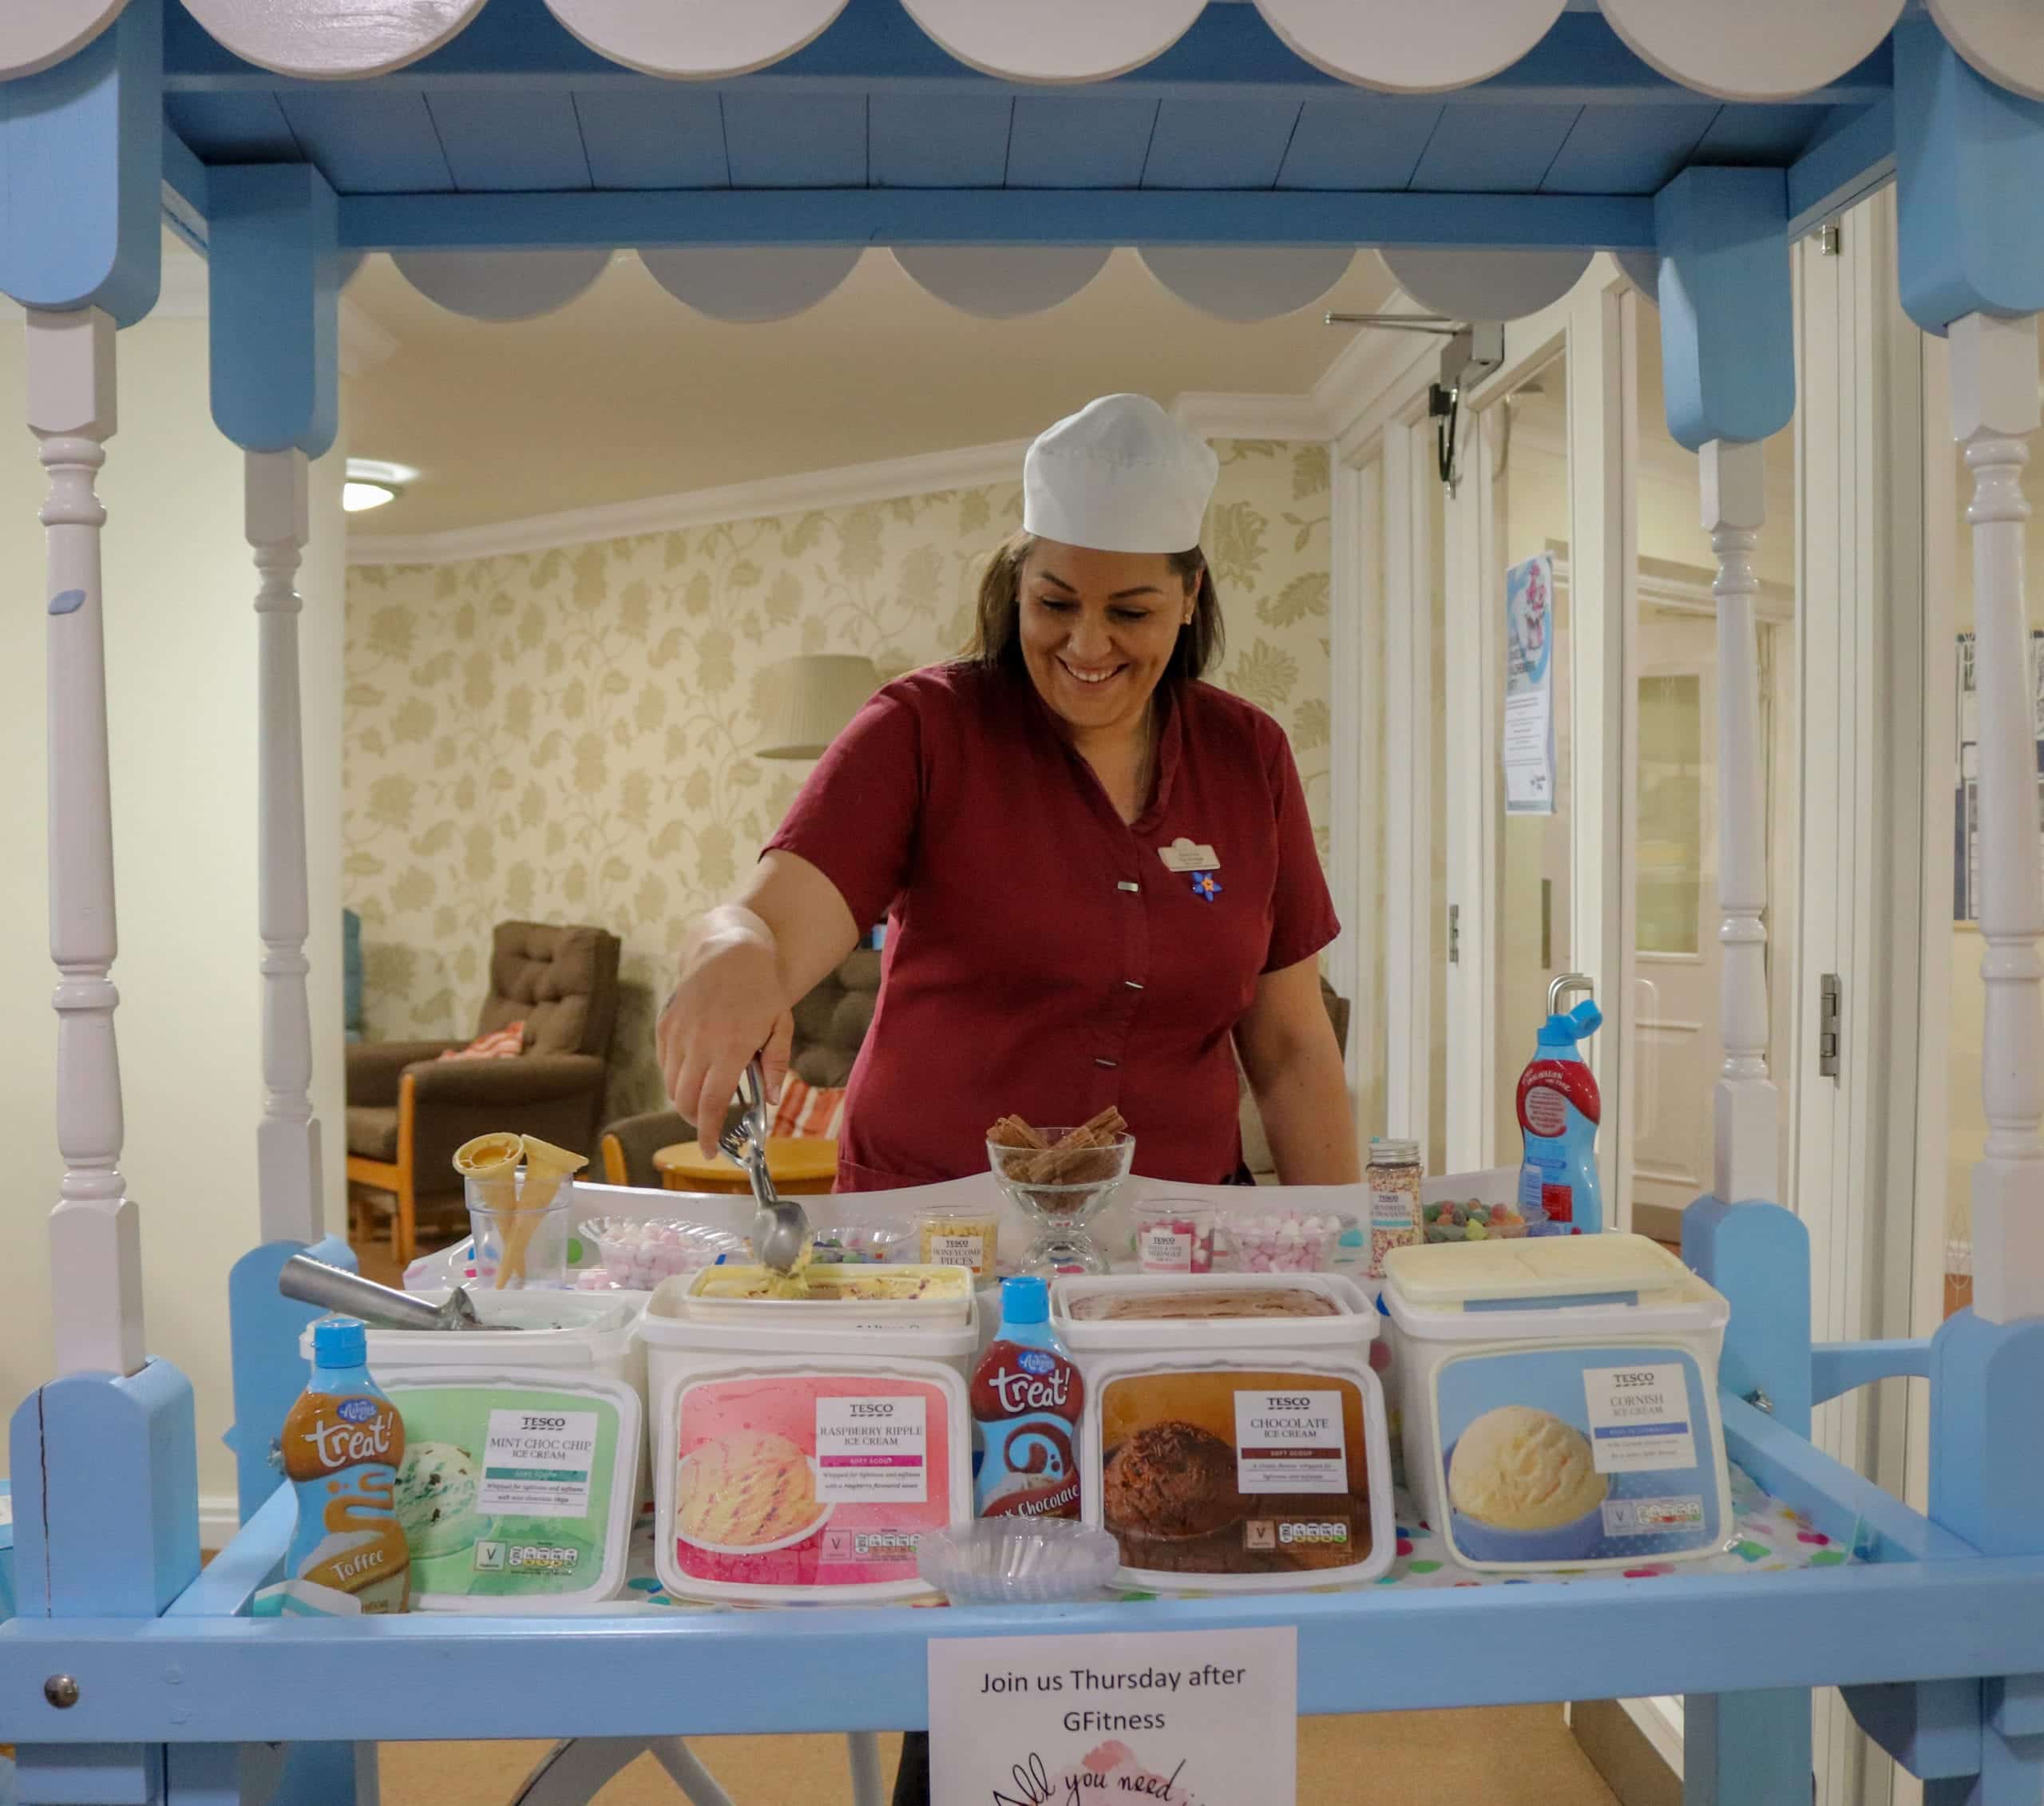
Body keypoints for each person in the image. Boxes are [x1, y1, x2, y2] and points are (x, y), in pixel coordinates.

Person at [655, 393, 1358, 1805]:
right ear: (1015, 582)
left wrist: (1348, 1260)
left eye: (1130, 610)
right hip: (941, 1264)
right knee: (977, 1628)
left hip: (1164, 1267)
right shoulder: (924, 730)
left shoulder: (1249, 758)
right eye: (1055, 602)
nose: (1088, 643)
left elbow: (1290, 1048)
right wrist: (730, 951)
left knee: (1187, 1569)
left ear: (1191, 597)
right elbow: (774, 915)